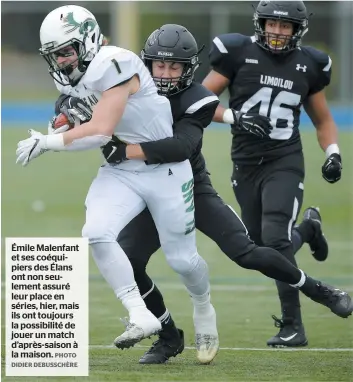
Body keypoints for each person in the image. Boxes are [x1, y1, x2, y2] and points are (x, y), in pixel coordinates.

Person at [57, 24, 352, 364]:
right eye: (159, 65)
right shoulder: (127, 85)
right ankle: (168, 335)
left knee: (246, 252)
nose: (165, 74)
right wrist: (65, 106)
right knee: (129, 261)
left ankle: (319, 290)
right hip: (141, 188)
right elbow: (79, 87)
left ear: (188, 70)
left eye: (175, 67)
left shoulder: (196, 97)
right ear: (147, 63)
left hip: (188, 188)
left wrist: (123, 151)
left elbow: (181, 147)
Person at [15, 5, 219, 357]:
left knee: (182, 260)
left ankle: (203, 307)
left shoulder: (115, 62)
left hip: (164, 171)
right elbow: (85, 124)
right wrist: (64, 120)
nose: (62, 61)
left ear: (88, 41)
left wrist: (49, 142)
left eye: (66, 51)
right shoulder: (68, 75)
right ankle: (140, 314)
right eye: (55, 55)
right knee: (95, 231)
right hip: (121, 169)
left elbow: (102, 128)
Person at [202, 0, 343, 347]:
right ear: (260, 23)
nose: (277, 32)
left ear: (298, 30)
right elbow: (199, 101)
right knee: (261, 249)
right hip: (246, 163)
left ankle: (293, 326)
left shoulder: (309, 64)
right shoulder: (237, 53)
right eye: (271, 24)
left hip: (284, 160)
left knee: (275, 238)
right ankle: (308, 229)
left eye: (285, 27)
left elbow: (322, 119)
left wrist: (333, 153)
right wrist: (233, 117)